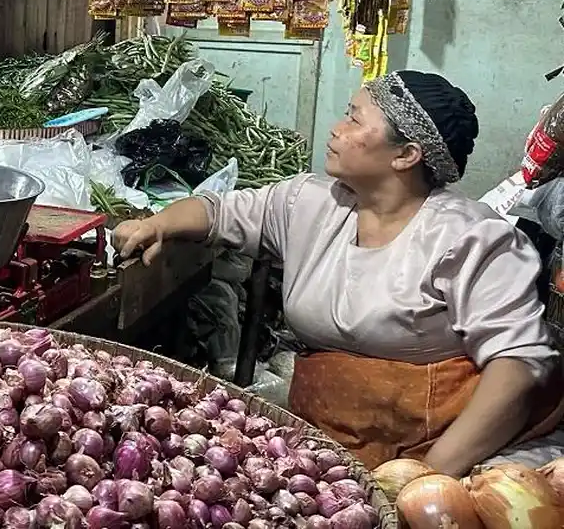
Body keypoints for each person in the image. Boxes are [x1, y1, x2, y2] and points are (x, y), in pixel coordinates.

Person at [114, 70, 564, 475]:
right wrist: (158, 224)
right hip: (342, 441)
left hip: (460, 448)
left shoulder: (472, 239)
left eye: (353, 119)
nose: (336, 128)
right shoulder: (311, 202)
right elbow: (219, 212)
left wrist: (431, 475)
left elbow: (519, 367)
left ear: (406, 154)